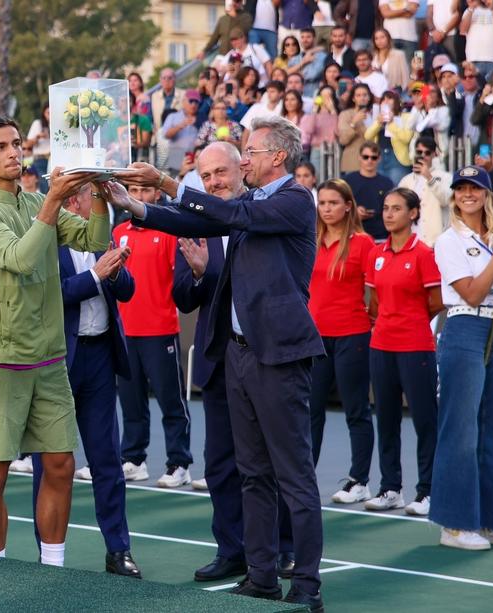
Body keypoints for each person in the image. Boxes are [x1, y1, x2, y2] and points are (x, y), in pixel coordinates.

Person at [102, 115, 325, 608]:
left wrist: (164, 181)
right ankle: (262, 576)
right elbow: (197, 220)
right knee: (252, 474)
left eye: (250, 151)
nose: (244, 159)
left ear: (278, 157)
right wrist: (136, 205)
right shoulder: (249, 201)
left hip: (280, 355)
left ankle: (306, 586)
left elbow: (225, 216)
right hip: (240, 357)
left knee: (294, 476)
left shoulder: (294, 200)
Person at [0, 117, 110, 567]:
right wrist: (56, 200)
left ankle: (52, 569)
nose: (13, 153)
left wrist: (100, 188)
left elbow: (95, 237)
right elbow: (21, 259)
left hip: (48, 357)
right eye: (0, 146)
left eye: (17, 144)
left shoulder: (38, 200)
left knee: (61, 465)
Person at [175, 142, 297, 582]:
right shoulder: (197, 225)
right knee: (221, 464)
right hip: (219, 360)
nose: (214, 183)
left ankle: (283, 548)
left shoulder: (265, 213)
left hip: (264, 356)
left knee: (272, 459)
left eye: (220, 173)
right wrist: (197, 273)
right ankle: (232, 549)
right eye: (205, 178)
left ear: (240, 169)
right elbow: (183, 299)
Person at [30, 183, 139, 577]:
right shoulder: (44, 236)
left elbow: (127, 291)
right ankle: (48, 553)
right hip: (59, 360)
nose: (99, 204)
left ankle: (118, 549)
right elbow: (48, 295)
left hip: (99, 358)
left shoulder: (102, 234)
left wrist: (116, 269)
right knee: (51, 460)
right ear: (72, 200)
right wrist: (96, 274)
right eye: (92, 197)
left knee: (107, 458)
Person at [430, 164, 493, 550]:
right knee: (462, 430)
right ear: (454, 196)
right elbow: (470, 293)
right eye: (461, 189)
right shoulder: (448, 240)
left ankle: (490, 520)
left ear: (487, 195)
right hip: (465, 327)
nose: (467, 194)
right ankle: (454, 525)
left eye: (475, 188)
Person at [364, 187, 443, 516]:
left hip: (416, 347)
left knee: (425, 421)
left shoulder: (423, 253)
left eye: (397, 208)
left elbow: (436, 301)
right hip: (381, 346)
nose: (388, 214)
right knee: (387, 420)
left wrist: (409, 321)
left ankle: (428, 491)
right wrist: (388, 321)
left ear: (413, 214)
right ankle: (390, 488)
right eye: (385, 208)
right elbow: (373, 303)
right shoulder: (376, 253)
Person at [113, 183, 193, 487]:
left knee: (171, 402)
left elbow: (181, 280)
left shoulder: (170, 232)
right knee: (131, 403)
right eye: (133, 189)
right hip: (126, 332)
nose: (139, 195)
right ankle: (133, 459)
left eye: (145, 190)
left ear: (156, 195)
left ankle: (179, 463)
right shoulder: (118, 232)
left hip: (160, 332)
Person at [308, 179, 375, 506]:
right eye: (322, 203)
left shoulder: (363, 244)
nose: (327, 209)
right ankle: (304, 476)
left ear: (348, 205)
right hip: (315, 338)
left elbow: (376, 293)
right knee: (310, 412)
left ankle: (359, 480)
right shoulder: (310, 240)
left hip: (353, 334)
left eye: (333, 202)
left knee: (356, 411)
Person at [399, 136, 452, 246]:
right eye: (419, 152)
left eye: (427, 153)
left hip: (435, 243)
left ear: (434, 154)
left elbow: (446, 200)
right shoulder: (406, 180)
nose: (423, 156)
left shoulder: (445, 177)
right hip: (410, 241)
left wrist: (429, 177)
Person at [342, 141, 394, 241]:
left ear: (379, 159)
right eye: (366, 157)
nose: (369, 160)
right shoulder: (347, 181)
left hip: (381, 237)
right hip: (353, 236)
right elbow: (339, 207)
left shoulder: (387, 183)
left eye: (373, 157)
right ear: (359, 157)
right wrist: (355, 213)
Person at [365, 89, 414, 185]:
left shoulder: (407, 116)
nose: (386, 101)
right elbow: (367, 136)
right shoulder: (379, 118)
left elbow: (406, 138)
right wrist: (378, 122)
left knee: (398, 189)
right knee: (380, 189)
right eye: (383, 99)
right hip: (379, 157)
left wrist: (391, 123)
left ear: (397, 101)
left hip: (397, 159)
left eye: (390, 98)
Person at [300, 87, 339, 180]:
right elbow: (309, 130)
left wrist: (333, 111)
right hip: (317, 149)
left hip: (333, 149)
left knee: (333, 178)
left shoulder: (337, 114)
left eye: (328, 96)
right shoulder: (312, 114)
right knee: (317, 178)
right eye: (323, 96)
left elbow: (337, 131)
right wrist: (314, 110)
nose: (326, 99)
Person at [337, 82, 375, 173]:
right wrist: (353, 122)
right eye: (358, 95)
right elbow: (343, 140)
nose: (362, 98)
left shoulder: (376, 114)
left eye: (365, 95)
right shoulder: (346, 114)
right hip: (353, 162)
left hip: (374, 161)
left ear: (369, 97)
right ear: (353, 98)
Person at [371, 28, 410, 92]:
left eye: (382, 37)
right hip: (376, 91)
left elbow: (405, 77)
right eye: (376, 38)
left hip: (394, 92)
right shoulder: (373, 56)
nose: (379, 41)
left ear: (388, 38)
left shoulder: (399, 55)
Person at [25, 105, 51, 193]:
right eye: (48, 113)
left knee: (54, 184)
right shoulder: (38, 124)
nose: (50, 115)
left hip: (52, 158)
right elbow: (27, 144)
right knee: (43, 184)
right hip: (40, 159)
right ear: (44, 113)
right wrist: (38, 136)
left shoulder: (56, 125)